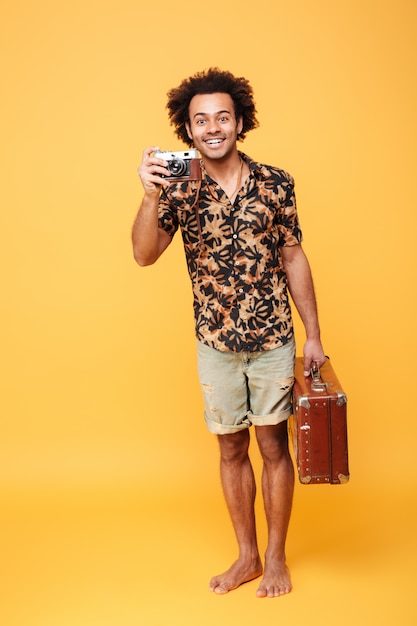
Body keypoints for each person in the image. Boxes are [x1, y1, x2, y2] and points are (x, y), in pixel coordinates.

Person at [132, 68, 326, 598]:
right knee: (230, 450)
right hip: (215, 342)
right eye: (201, 120)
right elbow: (144, 255)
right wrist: (150, 196)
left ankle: (276, 557)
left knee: (274, 446)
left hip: (273, 341)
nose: (212, 127)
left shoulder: (276, 183)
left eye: (222, 116)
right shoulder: (178, 187)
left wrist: (313, 334)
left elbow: (293, 256)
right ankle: (247, 557)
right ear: (187, 130)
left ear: (240, 121)